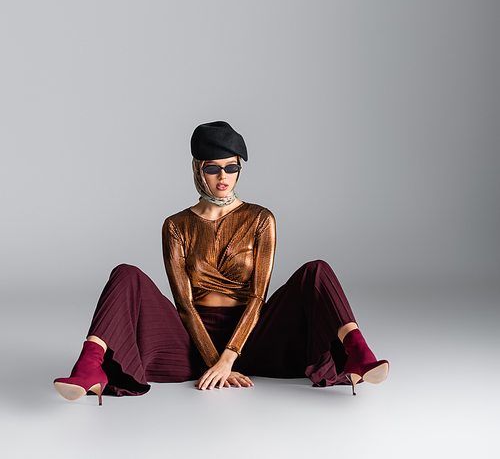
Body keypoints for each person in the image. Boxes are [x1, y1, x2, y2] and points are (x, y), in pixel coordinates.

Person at [54, 121, 389, 404]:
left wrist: (228, 359)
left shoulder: (260, 219)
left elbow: (258, 297)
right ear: (198, 169)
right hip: (189, 341)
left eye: (232, 167)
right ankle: (89, 366)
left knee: (317, 271)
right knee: (125, 274)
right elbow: (183, 304)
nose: (223, 176)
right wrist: (214, 363)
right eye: (213, 168)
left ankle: (358, 352)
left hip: (252, 339)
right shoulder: (176, 225)